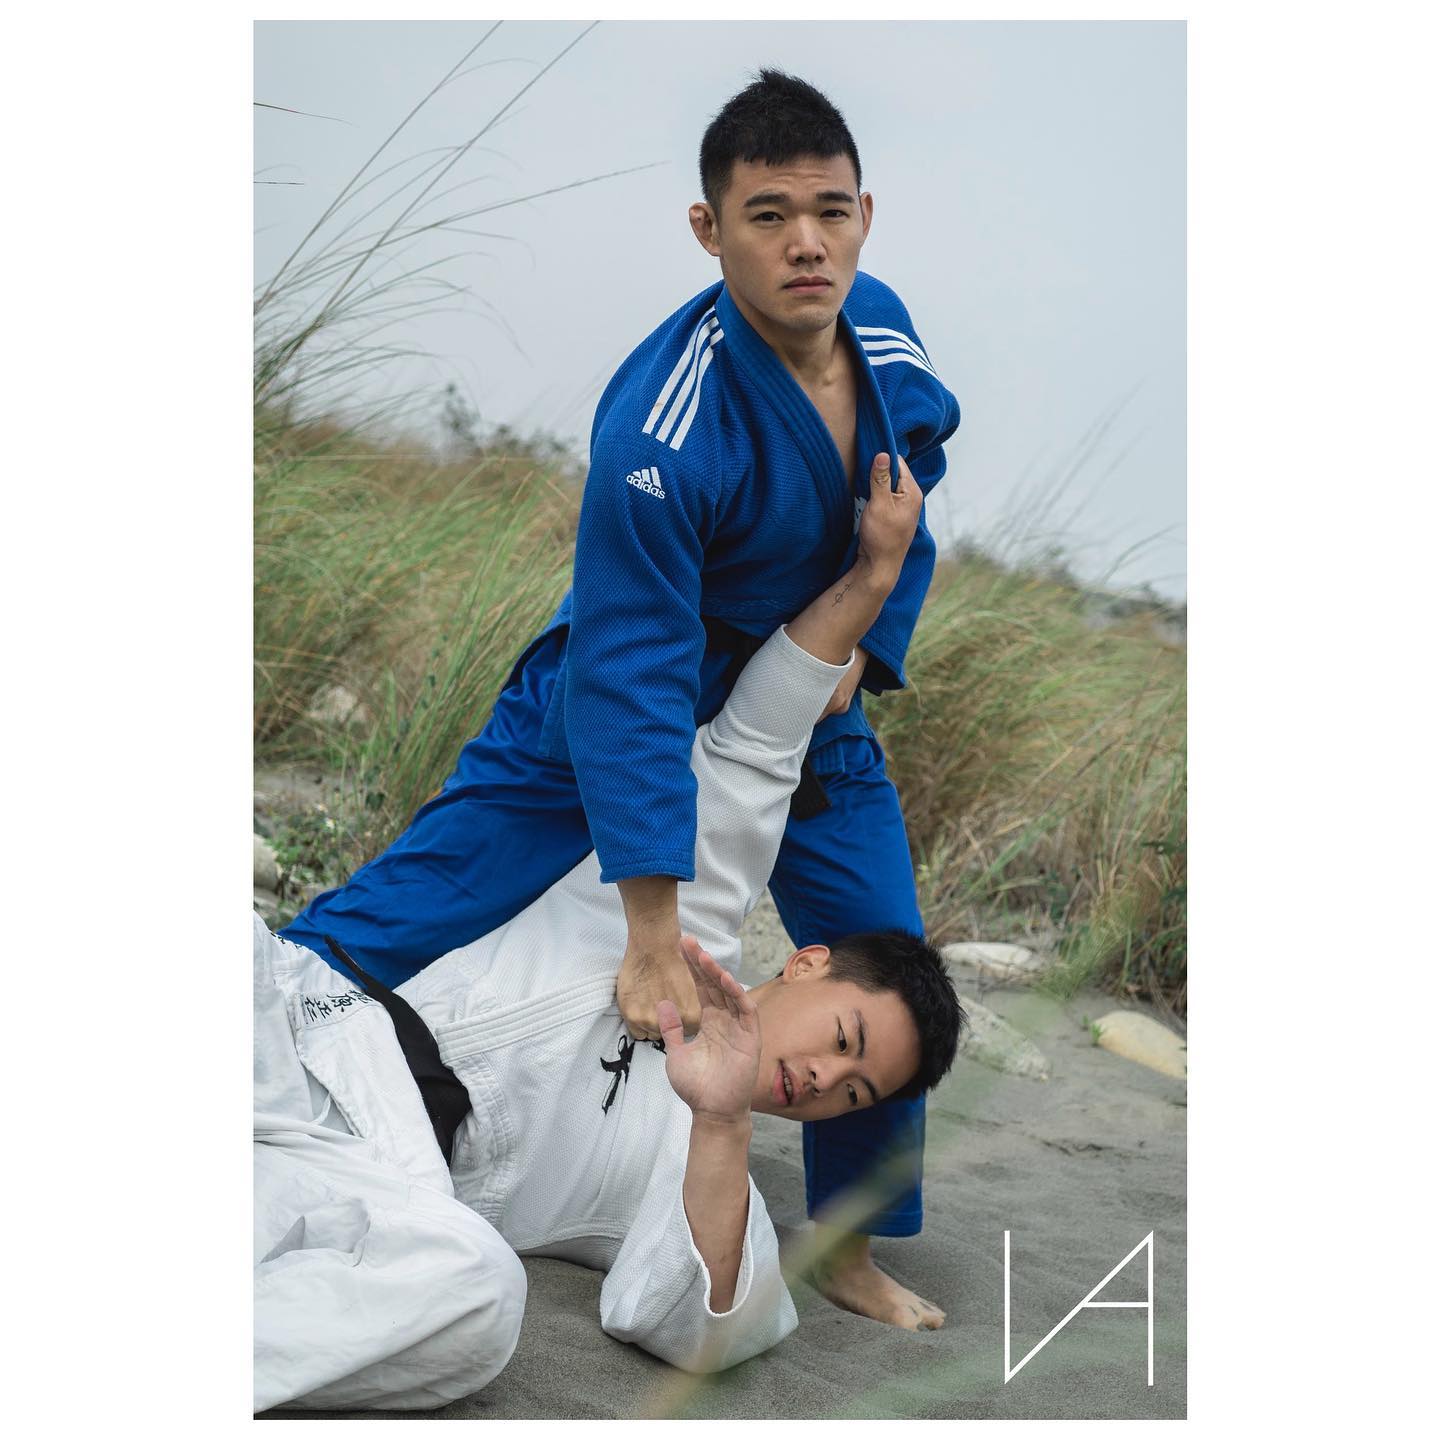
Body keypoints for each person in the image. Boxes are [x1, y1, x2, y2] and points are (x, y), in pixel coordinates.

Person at [280, 69, 962, 1327]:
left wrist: (869, 641)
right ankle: (265, 1011)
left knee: (885, 948)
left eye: (828, 211)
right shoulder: (664, 426)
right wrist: (653, 929)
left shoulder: (883, 333)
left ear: (864, 213)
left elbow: (907, 483)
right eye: (767, 216)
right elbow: (632, 663)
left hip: (809, 685)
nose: (805, 244)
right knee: (428, 892)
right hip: (618, 684)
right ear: (710, 230)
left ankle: (852, 1242)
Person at [254, 465, 964, 1411]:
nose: (825, 1078)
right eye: (845, 1040)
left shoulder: (699, 1162)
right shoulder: (688, 897)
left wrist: (720, 1123)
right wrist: (873, 580)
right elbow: (767, 731)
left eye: (853, 1093)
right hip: (294, 1025)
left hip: (362, 1172)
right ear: (807, 962)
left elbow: (707, 1324)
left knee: (477, 1292)